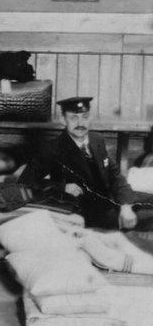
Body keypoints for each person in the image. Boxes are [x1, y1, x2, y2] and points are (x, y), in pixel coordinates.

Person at [18, 97, 151, 230]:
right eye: (74, 118)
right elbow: (24, 183)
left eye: (85, 117)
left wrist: (126, 206)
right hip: (89, 212)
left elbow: (115, 177)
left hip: (111, 198)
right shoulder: (53, 149)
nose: (80, 123)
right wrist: (61, 187)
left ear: (90, 117)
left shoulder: (96, 139)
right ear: (63, 119)